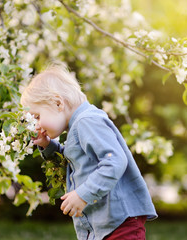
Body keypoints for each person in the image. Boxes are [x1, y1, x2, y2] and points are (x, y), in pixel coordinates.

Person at [20, 64, 157, 240]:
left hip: (120, 224)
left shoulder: (86, 122)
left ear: (58, 102)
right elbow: (76, 160)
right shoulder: (77, 126)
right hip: (107, 226)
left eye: (37, 117)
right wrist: (48, 145)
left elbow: (115, 161)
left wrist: (83, 194)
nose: (36, 125)